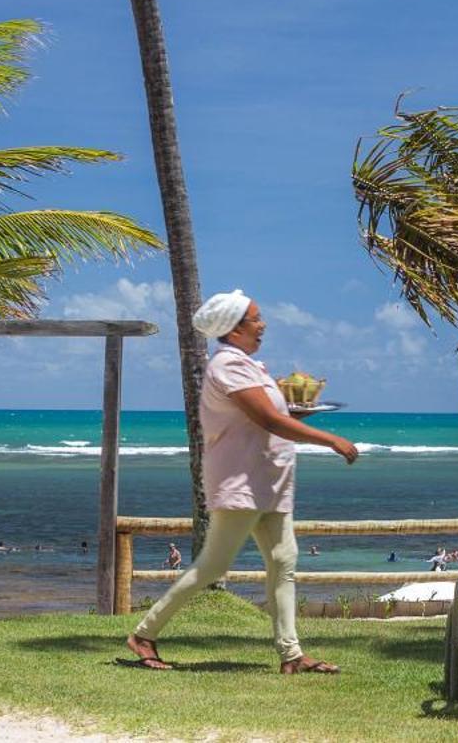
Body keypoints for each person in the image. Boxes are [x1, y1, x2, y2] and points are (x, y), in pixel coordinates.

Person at [124, 289, 358, 675]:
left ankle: (292, 655)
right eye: (256, 318)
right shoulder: (228, 367)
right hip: (243, 482)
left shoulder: (251, 367)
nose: (263, 324)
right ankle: (144, 634)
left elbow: (270, 415)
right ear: (234, 331)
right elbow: (268, 419)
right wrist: (330, 440)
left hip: (269, 482)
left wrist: (296, 414)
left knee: (284, 562)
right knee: (213, 567)